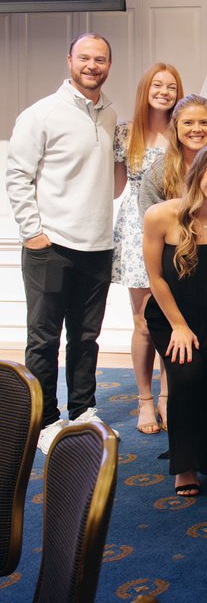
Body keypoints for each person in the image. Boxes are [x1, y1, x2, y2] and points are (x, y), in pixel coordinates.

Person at [7, 33, 119, 452]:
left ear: (109, 65)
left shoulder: (109, 113)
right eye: (85, 58)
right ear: (69, 59)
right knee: (44, 339)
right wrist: (32, 232)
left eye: (101, 59)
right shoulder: (42, 113)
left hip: (97, 246)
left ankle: (83, 409)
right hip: (51, 247)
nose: (93, 66)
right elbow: (18, 175)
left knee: (86, 337)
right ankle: (44, 420)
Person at [143, 143, 207, 495]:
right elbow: (156, 278)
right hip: (173, 317)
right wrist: (179, 327)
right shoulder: (161, 215)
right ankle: (185, 465)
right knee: (186, 376)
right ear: (197, 172)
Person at [113, 62, 182, 434]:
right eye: (157, 85)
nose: (164, 92)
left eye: (171, 86)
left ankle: (169, 397)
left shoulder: (183, 130)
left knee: (172, 319)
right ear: (146, 89)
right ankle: (144, 399)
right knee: (142, 322)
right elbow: (115, 187)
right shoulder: (125, 132)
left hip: (173, 230)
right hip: (134, 229)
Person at [139, 96, 207, 219]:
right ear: (175, 127)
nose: (197, 129)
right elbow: (149, 226)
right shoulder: (157, 173)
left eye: (204, 122)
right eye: (188, 123)